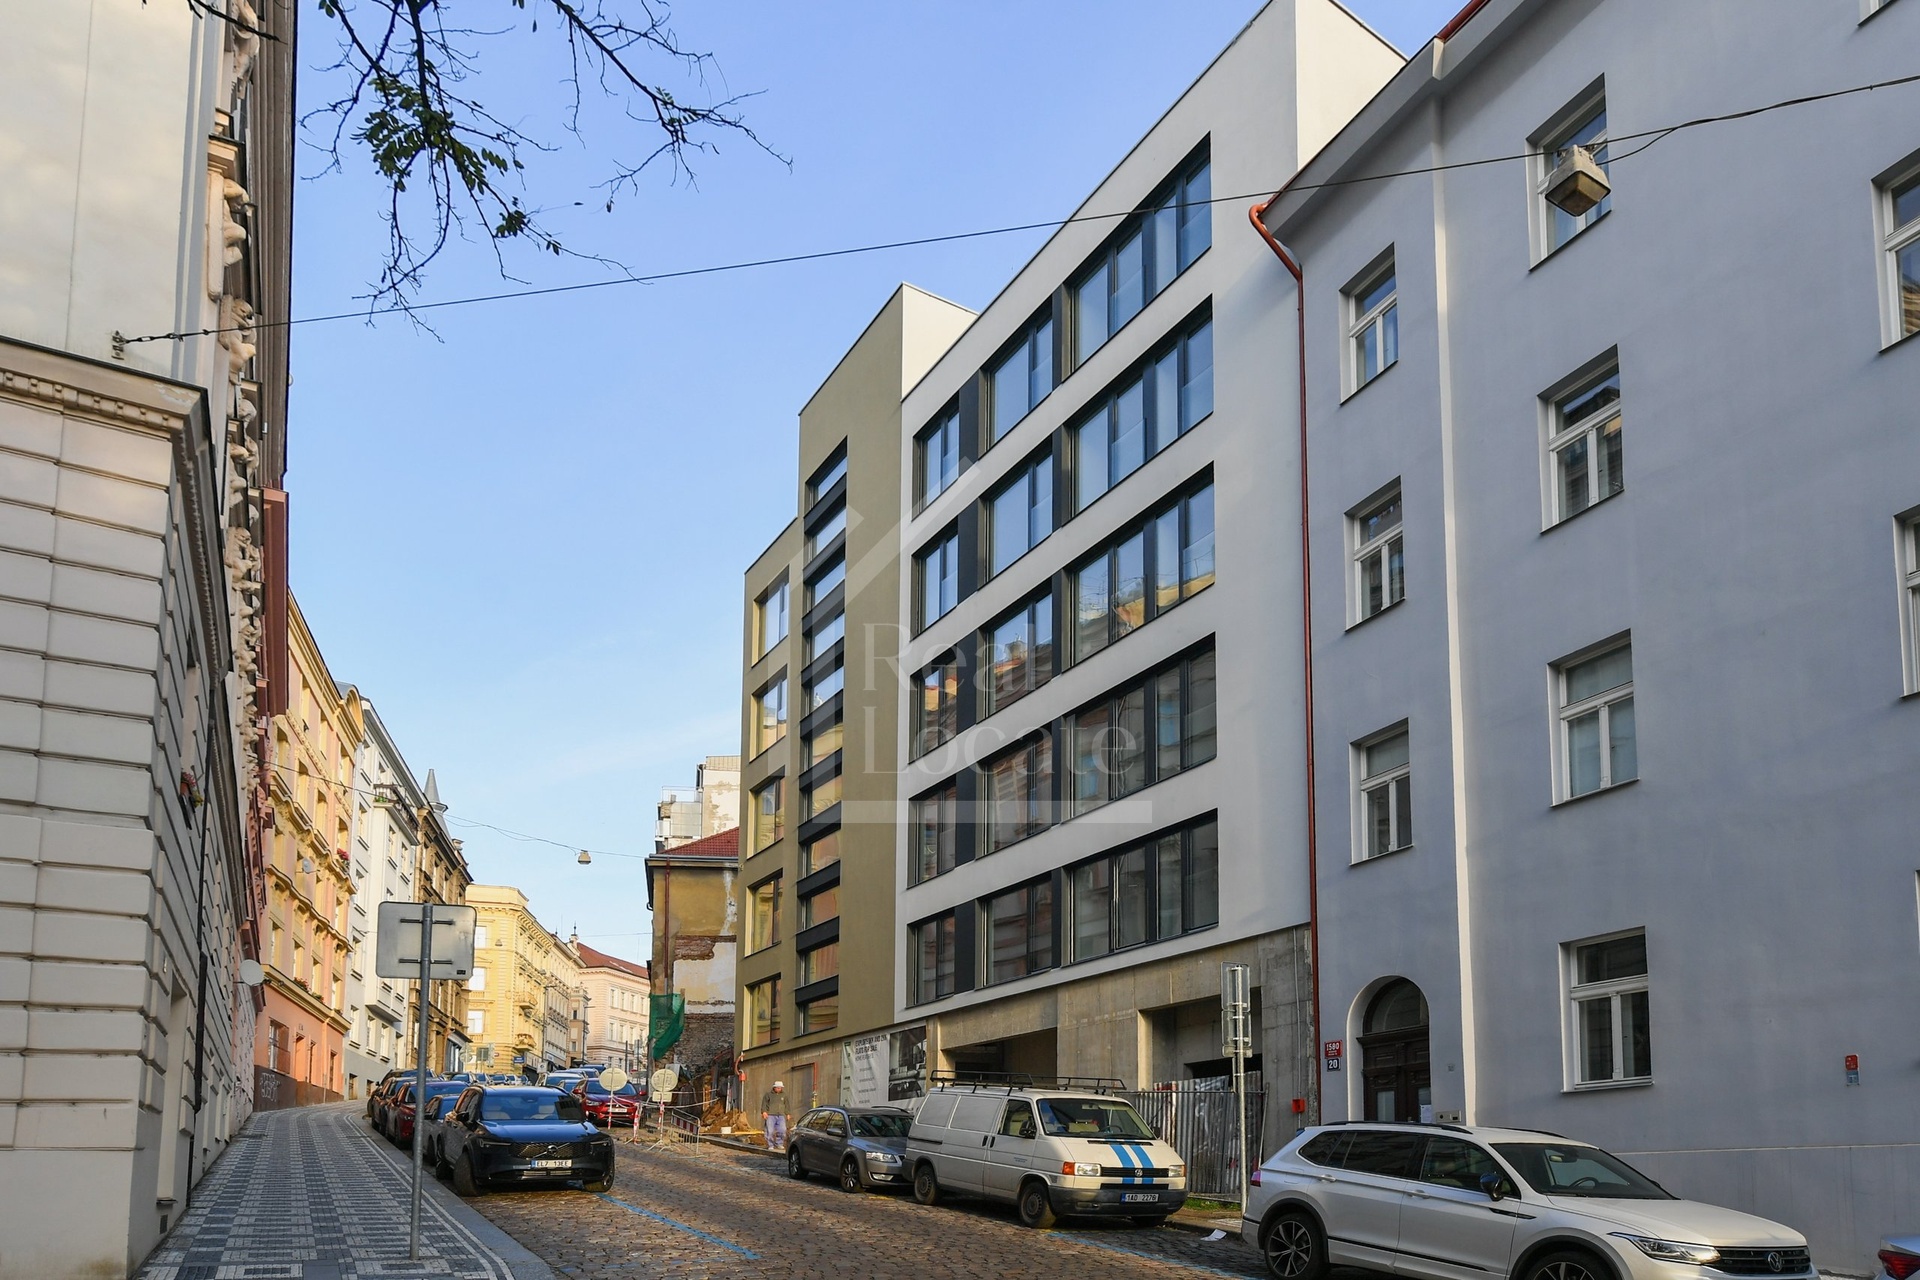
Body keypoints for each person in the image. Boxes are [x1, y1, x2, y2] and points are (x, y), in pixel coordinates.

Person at [761, 1080, 790, 1151]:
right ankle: (770, 1145)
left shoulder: (784, 1095)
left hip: (781, 1115)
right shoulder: (768, 1095)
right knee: (770, 1131)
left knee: (782, 1130)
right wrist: (764, 1112)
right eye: (778, 1088)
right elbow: (764, 1104)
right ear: (774, 1087)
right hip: (770, 1115)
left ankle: (779, 1143)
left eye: (780, 1088)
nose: (779, 1089)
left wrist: (788, 1113)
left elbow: (787, 1105)